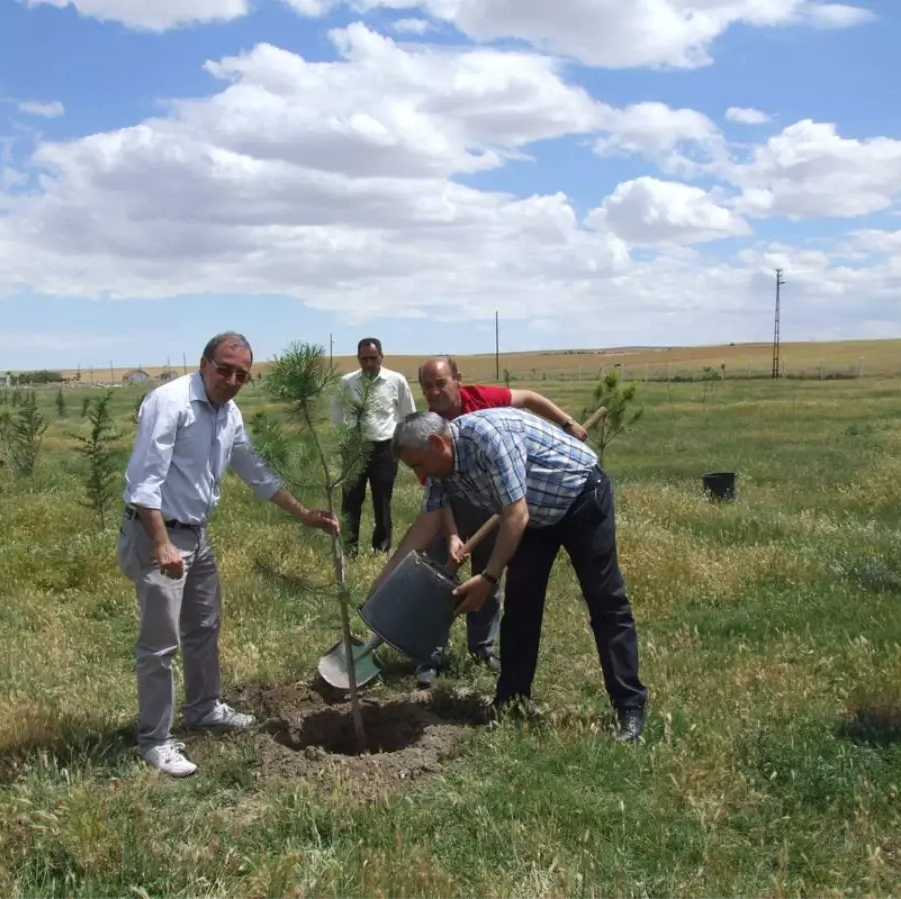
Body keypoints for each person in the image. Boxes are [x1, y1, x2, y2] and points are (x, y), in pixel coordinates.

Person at [118, 331, 340, 777]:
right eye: (224, 369)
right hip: (158, 531)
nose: (232, 379)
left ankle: (203, 709)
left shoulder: (228, 412)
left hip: (195, 534)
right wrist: (161, 543)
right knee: (161, 645)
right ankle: (155, 740)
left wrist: (303, 514)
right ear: (204, 364)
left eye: (242, 374)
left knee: (203, 626)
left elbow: (254, 469)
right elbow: (145, 480)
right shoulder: (171, 402)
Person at [375, 407, 648, 743]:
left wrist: (488, 579)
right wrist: (383, 583)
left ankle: (629, 708)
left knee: (605, 602)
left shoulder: (488, 438)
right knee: (521, 608)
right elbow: (426, 524)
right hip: (534, 517)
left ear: (436, 443)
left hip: (580, 497)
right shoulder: (437, 469)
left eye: (417, 464)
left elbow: (515, 515)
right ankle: (512, 703)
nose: (419, 473)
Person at [411, 356, 595, 687]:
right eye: (427, 386)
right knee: (437, 574)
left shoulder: (482, 399)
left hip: (495, 502)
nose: (435, 392)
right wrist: (452, 535)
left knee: (488, 572)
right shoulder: (424, 430)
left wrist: (566, 422)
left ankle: (482, 647)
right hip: (448, 510)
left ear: (458, 380)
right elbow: (435, 494)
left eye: (441, 383)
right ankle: (429, 653)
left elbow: (527, 398)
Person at [330, 338, 416, 556]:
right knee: (351, 499)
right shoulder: (347, 383)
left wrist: (402, 443)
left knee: (383, 499)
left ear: (381, 357)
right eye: (364, 359)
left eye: (373, 358)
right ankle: (349, 549)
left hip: (385, 448)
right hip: (354, 447)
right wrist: (343, 439)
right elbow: (336, 413)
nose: (369, 363)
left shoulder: (395, 381)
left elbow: (409, 414)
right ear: (358, 359)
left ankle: (382, 548)